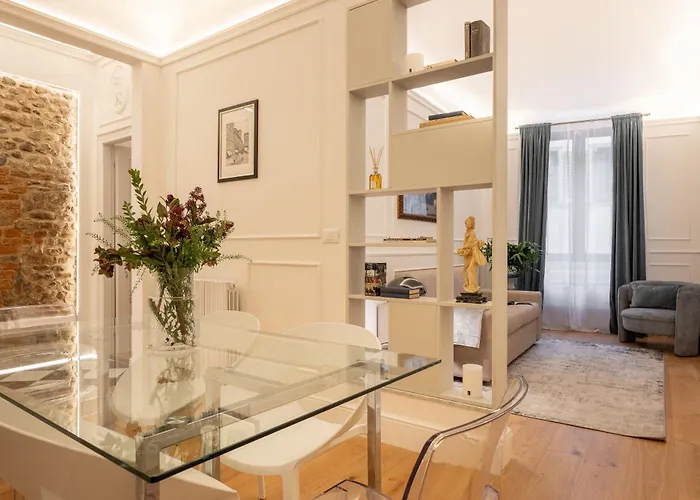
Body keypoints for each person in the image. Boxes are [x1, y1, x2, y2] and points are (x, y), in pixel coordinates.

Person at [456, 216, 486, 293]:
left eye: (467, 223)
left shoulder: (472, 233)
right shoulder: (467, 232)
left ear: (471, 224)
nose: (466, 224)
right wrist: (463, 249)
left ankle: (473, 287)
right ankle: (469, 284)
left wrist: (463, 248)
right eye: (466, 223)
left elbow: (470, 243)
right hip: (469, 254)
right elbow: (466, 243)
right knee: (466, 269)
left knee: (471, 269)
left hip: (474, 254)